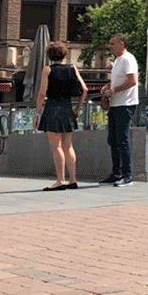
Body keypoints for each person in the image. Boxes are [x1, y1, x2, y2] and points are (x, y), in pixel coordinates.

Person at [34, 40, 90, 191]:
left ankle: (60, 180)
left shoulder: (48, 70)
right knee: (68, 145)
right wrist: (77, 108)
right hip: (67, 108)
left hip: (52, 107)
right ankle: (73, 179)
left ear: (50, 55)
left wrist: (36, 113)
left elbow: (41, 94)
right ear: (64, 54)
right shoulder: (72, 68)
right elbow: (84, 89)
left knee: (55, 146)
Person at [99, 34, 138, 186]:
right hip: (116, 104)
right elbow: (120, 79)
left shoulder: (128, 58)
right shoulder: (117, 61)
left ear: (122, 44)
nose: (110, 46)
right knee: (113, 140)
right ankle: (117, 172)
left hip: (125, 104)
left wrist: (114, 90)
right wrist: (108, 87)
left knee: (122, 140)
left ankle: (127, 175)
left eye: (112, 43)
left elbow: (132, 81)